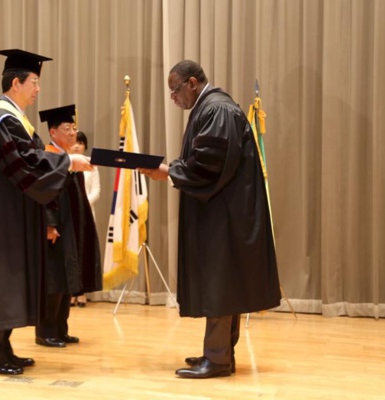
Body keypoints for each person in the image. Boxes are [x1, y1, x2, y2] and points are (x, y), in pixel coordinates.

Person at [139, 60, 281, 379]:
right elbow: (202, 158)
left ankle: (217, 360)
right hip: (226, 213)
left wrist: (168, 172)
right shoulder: (211, 108)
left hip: (225, 216)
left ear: (192, 82)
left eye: (175, 90)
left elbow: (208, 164)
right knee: (224, 283)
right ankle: (219, 352)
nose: (173, 97)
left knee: (221, 283)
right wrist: (174, 168)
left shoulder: (216, 109)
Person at [0, 49, 93, 376]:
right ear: (16, 82)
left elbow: (27, 160)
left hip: (9, 216)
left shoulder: (14, 118)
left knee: (9, 282)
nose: (38, 89)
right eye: (34, 82)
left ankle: (3, 348)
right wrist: (67, 161)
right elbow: (24, 163)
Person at [35, 106, 101, 347]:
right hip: (56, 229)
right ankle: (45, 331)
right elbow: (45, 195)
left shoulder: (67, 158)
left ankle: (61, 329)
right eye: (67, 129)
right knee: (53, 281)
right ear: (53, 132)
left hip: (70, 227)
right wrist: (49, 225)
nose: (73, 133)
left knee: (65, 280)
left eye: (74, 128)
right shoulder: (48, 157)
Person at [69, 131, 100, 307]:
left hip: (86, 214)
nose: (77, 145)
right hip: (69, 216)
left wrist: (82, 204)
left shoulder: (90, 164)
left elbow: (96, 190)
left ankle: (82, 293)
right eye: (74, 142)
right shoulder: (63, 161)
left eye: (80, 142)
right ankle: (71, 293)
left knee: (84, 252)